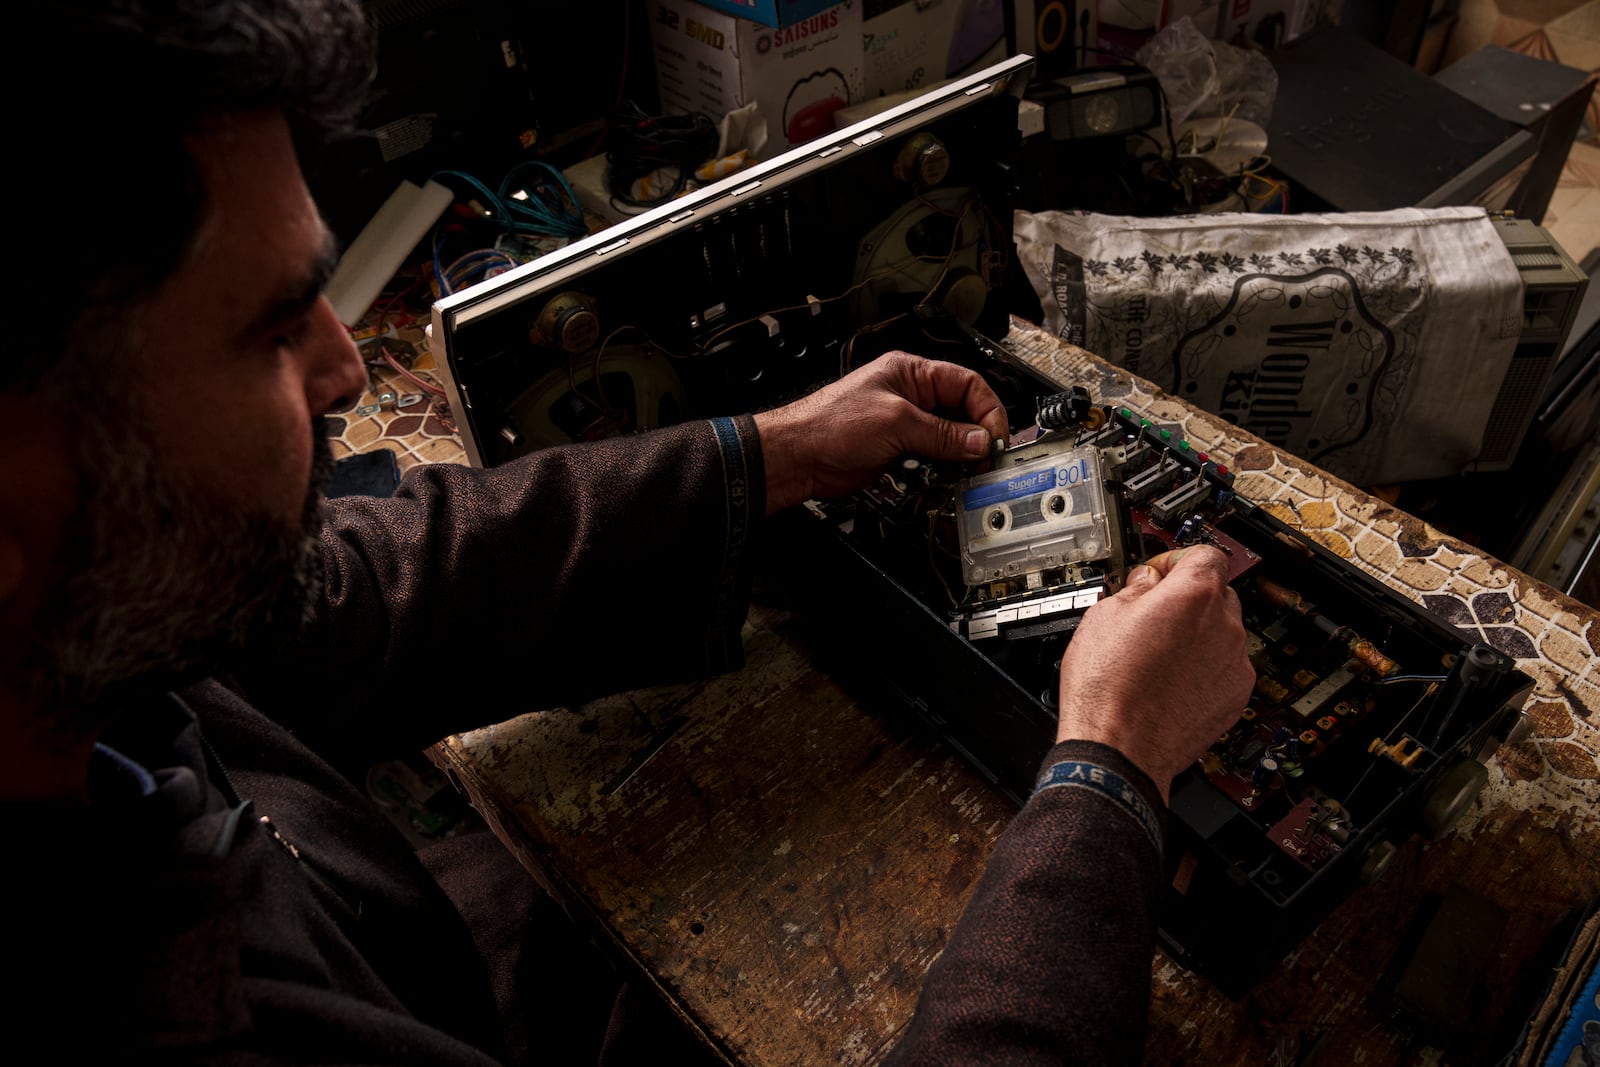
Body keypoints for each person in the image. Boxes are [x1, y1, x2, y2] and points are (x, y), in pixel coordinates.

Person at [1, 1, 1253, 1063]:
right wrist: (1107, 770)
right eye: (270, 330)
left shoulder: (90, 633)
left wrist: (772, 450)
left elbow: (338, 594)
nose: (341, 368)